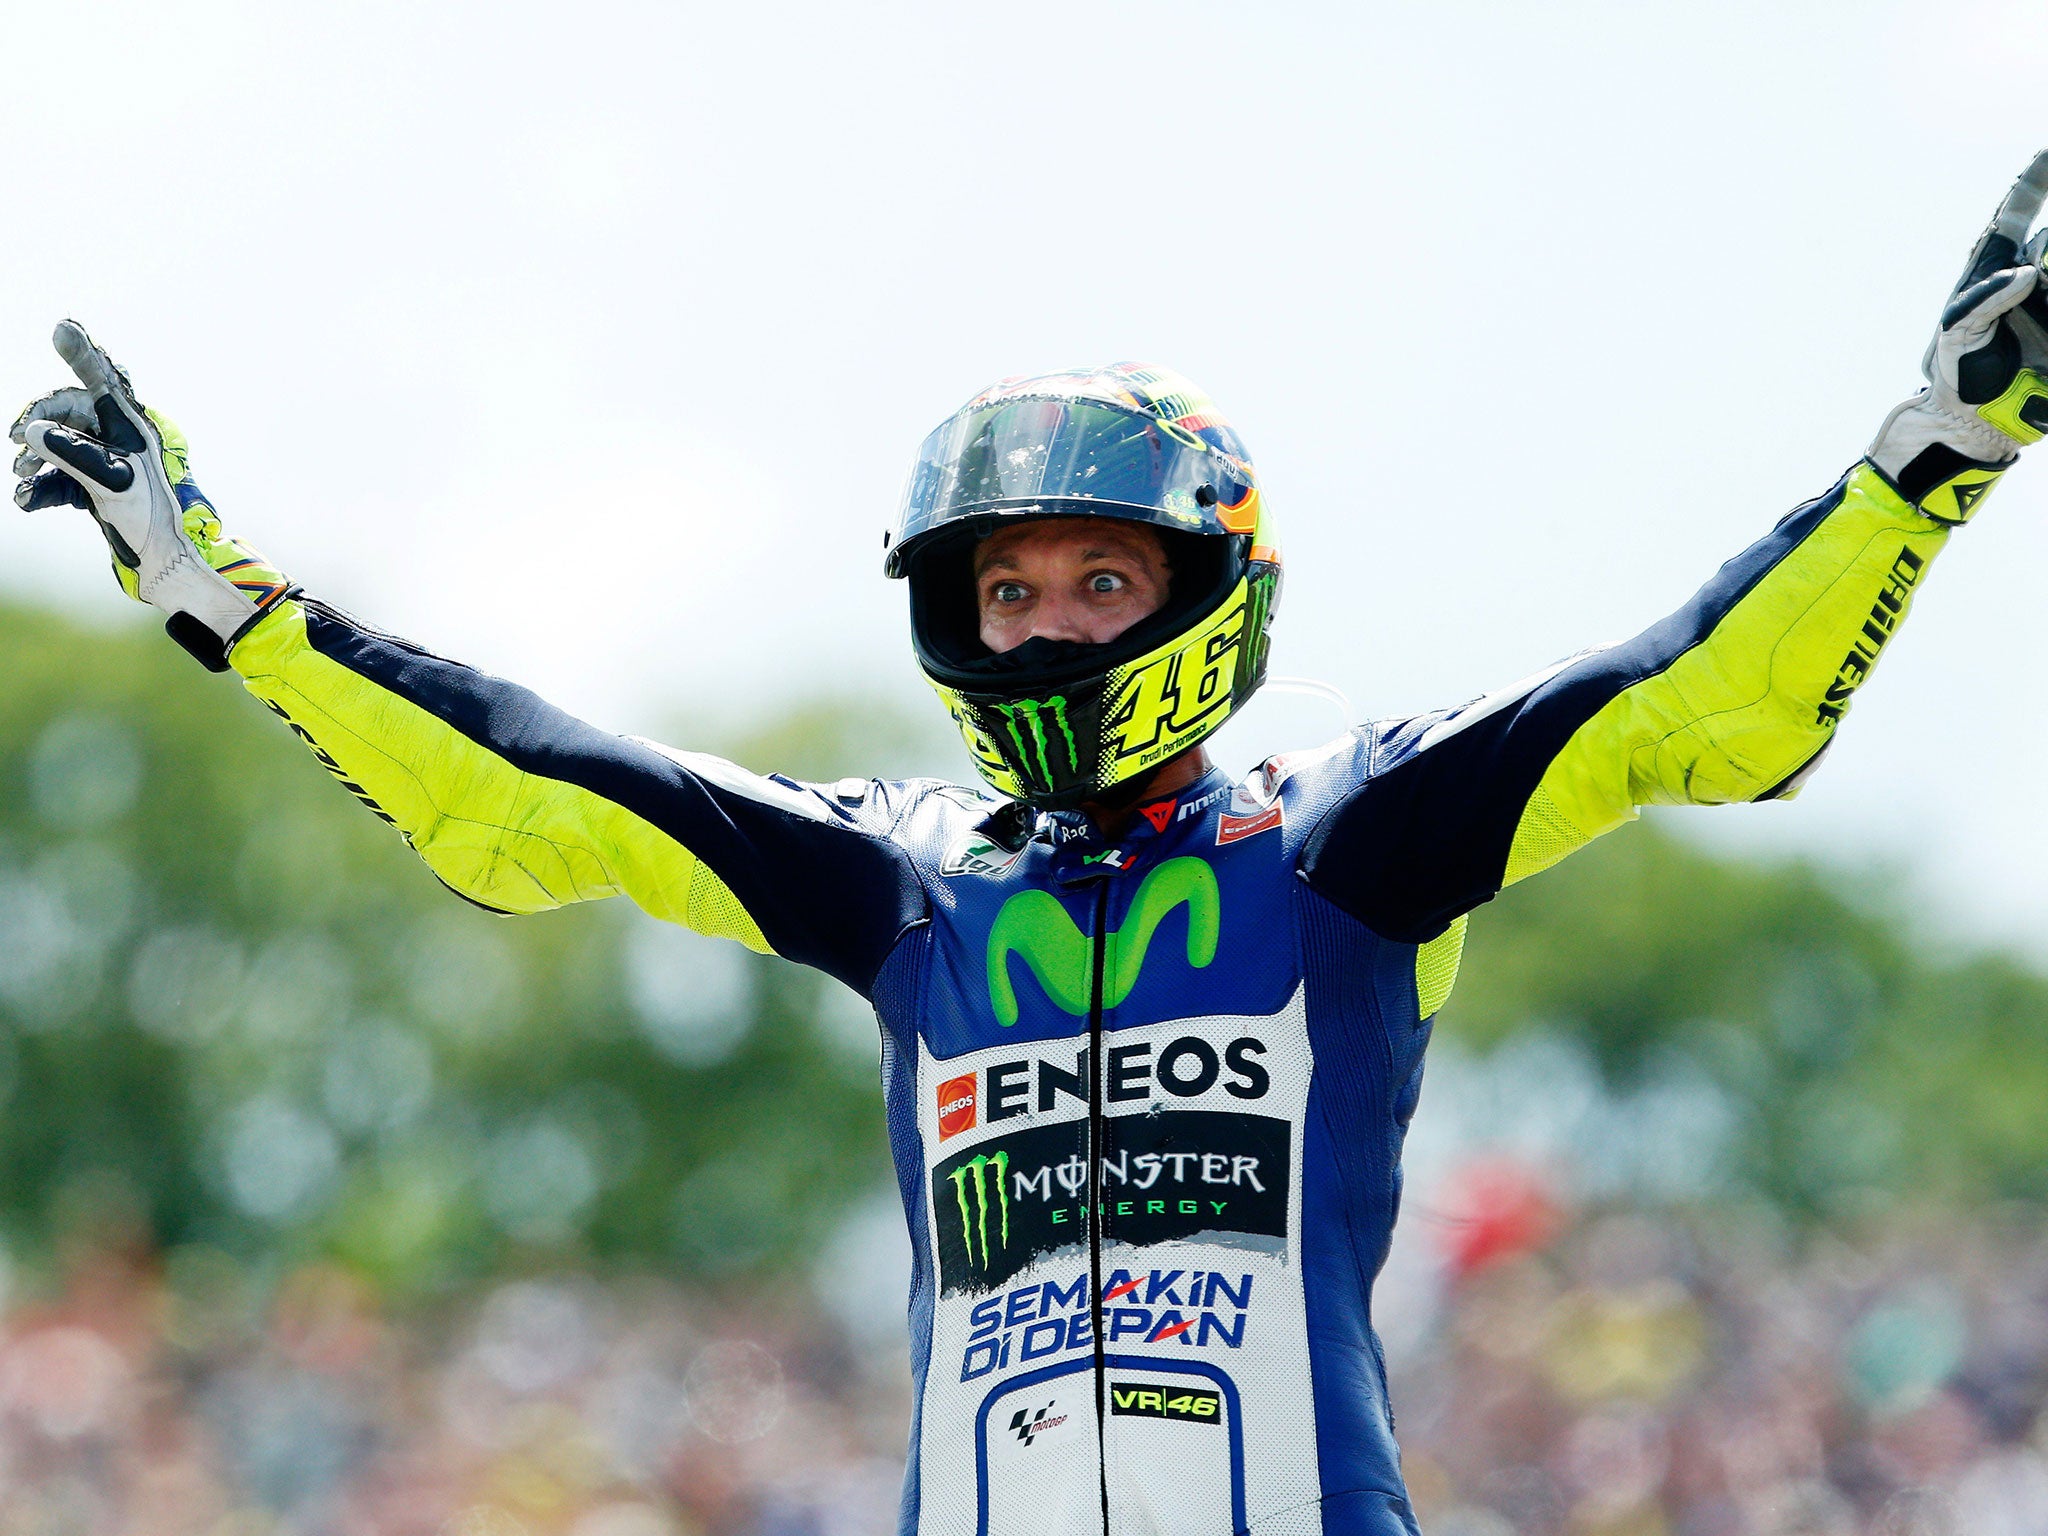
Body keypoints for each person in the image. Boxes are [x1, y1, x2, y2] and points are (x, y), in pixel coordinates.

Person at [12, 151, 2048, 1536]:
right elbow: (536, 794)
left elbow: (1693, 701)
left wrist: (1929, 454)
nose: (1050, 620)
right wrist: (232, 605)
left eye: (1098, 573)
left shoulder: (1344, 840)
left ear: (1203, 592)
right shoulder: (911, 882)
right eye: (1008, 590)